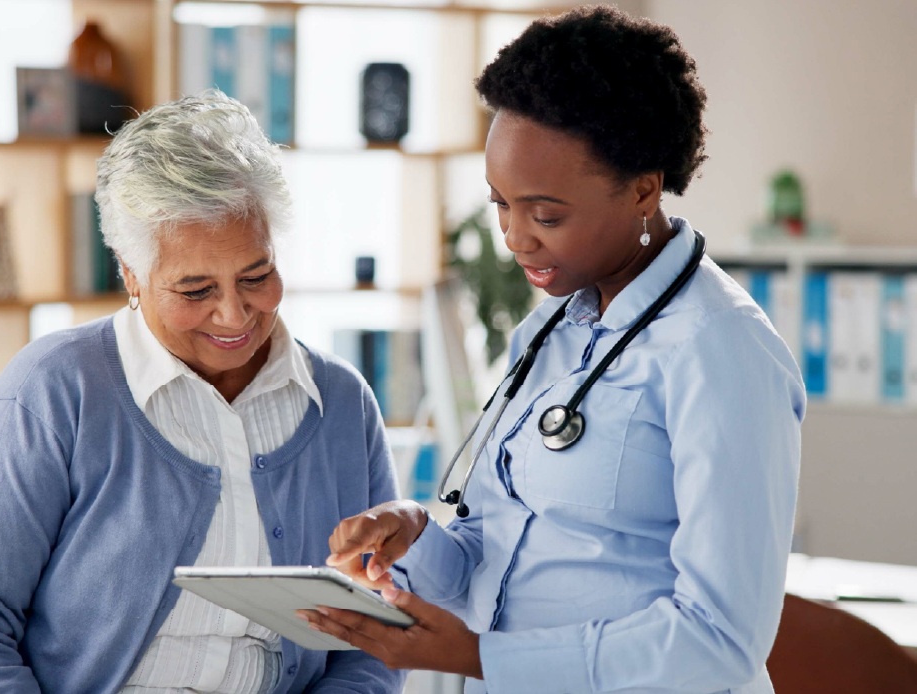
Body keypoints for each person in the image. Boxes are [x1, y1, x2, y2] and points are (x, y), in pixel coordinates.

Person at [301, 6, 805, 693]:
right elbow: (498, 556)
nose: (515, 238)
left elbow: (719, 641)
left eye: (546, 214)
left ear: (643, 190)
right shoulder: (547, 334)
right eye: (499, 205)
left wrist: (483, 660)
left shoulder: (720, 350)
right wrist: (415, 536)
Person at [0, 90, 405, 694]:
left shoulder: (341, 403)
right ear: (131, 274)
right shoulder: (54, 393)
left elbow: (373, 640)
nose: (234, 314)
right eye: (194, 290)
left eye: (256, 276)